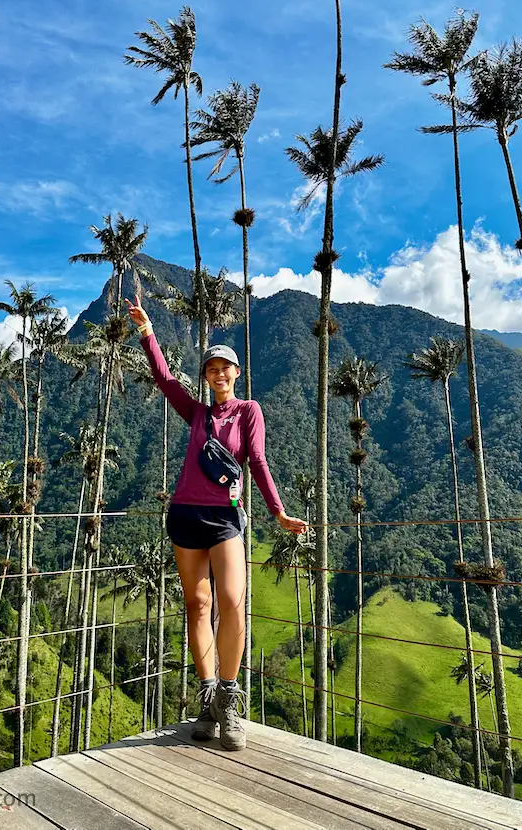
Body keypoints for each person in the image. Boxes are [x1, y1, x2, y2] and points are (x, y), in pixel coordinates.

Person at [125, 294, 307, 751]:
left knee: (231, 599)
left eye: (226, 368)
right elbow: (165, 380)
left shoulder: (249, 411)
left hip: (225, 518)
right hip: (184, 514)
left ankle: (229, 699)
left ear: (236, 373)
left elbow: (259, 460)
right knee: (198, 605)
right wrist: (148, 333)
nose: (219, 374)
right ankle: (208, 699)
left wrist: (278, 511)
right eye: (212, 369)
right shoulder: (198, 413)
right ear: (206, 377)